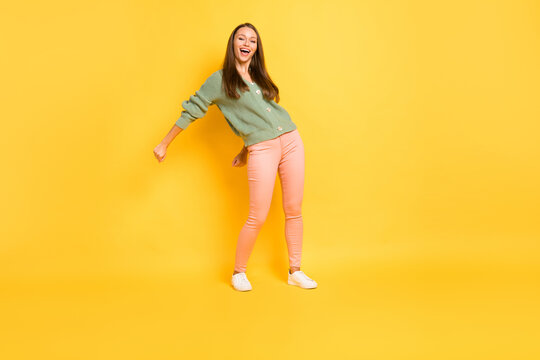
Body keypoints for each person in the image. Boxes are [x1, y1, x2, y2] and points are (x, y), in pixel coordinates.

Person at [153, 23, 317, 292]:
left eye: (252, 40)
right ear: (233, 44)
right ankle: (239, 272)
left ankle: (295, 271)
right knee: (258, 215)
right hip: (263, 150)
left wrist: (243, 149)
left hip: (291, 141)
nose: (247, 43)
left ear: (256, 48)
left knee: (293, 209)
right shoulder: (219, 80)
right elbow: (192, 109)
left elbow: (256, 116)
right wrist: (164, 143)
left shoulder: (259, 75)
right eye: (242, 38)